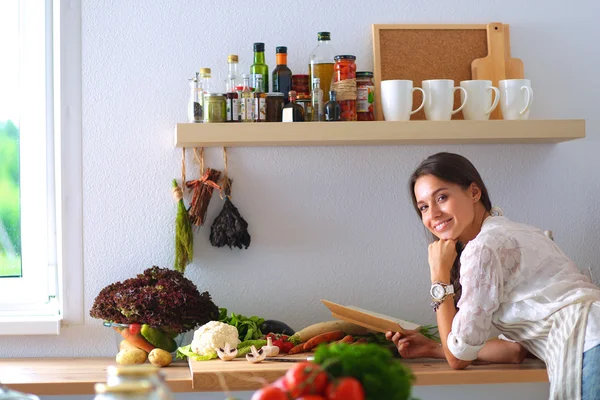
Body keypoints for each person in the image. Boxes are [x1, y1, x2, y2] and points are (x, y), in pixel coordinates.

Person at [386, 152, 600, 399]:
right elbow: (514, 350)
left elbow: (457, 358)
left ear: (474, 192)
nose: (432, 213)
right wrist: (432, 348)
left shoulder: (482, 249)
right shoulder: (517, 232)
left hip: (588, 344)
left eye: (442, 197)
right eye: (423, 206)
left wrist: (439, 277)